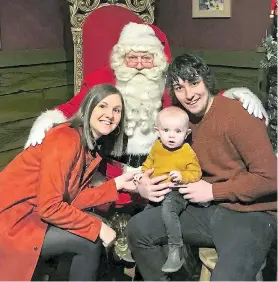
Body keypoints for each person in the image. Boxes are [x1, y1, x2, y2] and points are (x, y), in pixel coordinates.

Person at [24, 22, 268, 175]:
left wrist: (237, 94)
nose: (140, 65)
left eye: (147, 58)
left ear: (157, 60)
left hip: (162, 168)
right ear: (122, 59)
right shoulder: (102, 80)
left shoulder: (168, 85)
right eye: (133, 58)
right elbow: (71, 109)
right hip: (112, 171)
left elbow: (198, 101)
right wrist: (45, 122)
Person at [127, 54, 277, 281]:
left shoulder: (238, 116)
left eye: (194, 83)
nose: (189, 94)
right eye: (179, 87)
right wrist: (142, 183)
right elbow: (161, 159)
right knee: (138, 229)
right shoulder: (180, 121)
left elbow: (271, 178)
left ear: (206, 80)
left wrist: (213, 191)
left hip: (252, 213)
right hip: (205, 209)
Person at [0, 84, 139, 281]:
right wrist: (98, 228)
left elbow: (72, 199)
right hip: (14, 221)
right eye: (103, 106)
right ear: (89, 107)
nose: (110, 114)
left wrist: (117, 184)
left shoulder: (88, 146)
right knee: (89, 239)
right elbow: (49, 207)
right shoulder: (65, 139)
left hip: (35, 214)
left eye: (117, 110)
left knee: (95, 227)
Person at [138, 106, 202, 273]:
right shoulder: (157, 147)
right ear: (157, 131)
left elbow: (196, 173)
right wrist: (143, 176)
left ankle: (176, 248)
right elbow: (148, 164)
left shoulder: (187, 151)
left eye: (178, 131)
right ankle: (137, 246)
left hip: (176, 192)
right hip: (158, 190)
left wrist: (182, 176)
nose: (171, 135)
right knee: (145, 214)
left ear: (186, 133)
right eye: (166, 130)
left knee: (168, 210)